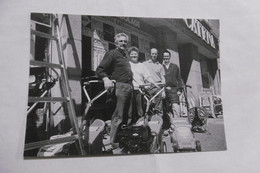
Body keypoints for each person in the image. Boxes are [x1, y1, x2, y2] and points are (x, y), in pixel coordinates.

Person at [96, 33, 133, 148]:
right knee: (118, 116)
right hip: (120, 88)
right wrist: (106, 79)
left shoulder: (125, 56)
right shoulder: (112, 53)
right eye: (121, 41)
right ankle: (113, 143)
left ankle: (124, 141)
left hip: (129, 87)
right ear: (116, 43)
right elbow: (100, 69)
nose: (123, 43)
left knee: (129, 116)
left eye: (125, 41)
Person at [128, 46, 155, 122]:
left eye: (135, 54)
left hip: (140, 90)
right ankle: (129, 125)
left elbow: (148, 76)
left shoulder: (142, 65)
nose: (134, 55)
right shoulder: (127, 65)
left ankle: (141, 124)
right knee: (129, 110)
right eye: (132, 54)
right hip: (130, 89)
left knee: (140, 109)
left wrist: (153, 82)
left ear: (138, 55)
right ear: (129, 55)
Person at [143, 48, 166, 115]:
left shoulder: (160, 66)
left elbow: (163, 78)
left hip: (158, 88)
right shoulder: (145, 64)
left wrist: (163, 90)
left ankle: (159, 121)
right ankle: (148, 121)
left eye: (155, 54)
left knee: (159, 107)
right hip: (148, 87)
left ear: (157, 54)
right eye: (153, 53)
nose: (154, 55)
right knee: (148, 106)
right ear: (150, 54)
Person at [162, 50, 183, 118]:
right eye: (164, 56)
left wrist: (179, 89)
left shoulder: (175, 66)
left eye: (167, 56)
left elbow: (179, 79)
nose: (166, 58)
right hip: (164, 90)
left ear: (170, 57)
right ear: (163, 57)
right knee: (166, 109)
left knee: (176, 107)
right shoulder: (160, 67)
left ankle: (177, 123)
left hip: (174, 90)